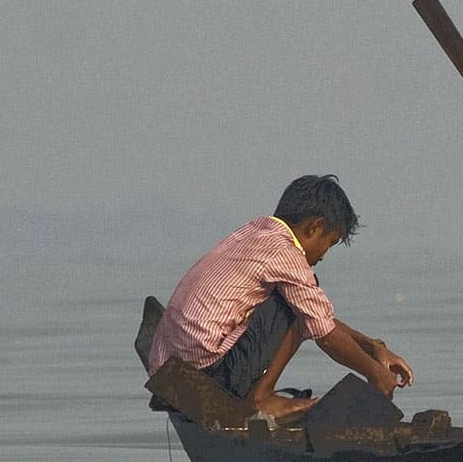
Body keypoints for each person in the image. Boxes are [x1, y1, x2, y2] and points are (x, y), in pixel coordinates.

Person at [146, 175, 413, 420]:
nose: (322, 255)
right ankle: (262, 399)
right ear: (314, 227)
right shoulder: (285, 254)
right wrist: (374, 373)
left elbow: (321, 319)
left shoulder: (255, 232)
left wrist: (374, 348)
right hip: (209, 372)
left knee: (300, 306)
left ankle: (262, 395)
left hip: (169, 362)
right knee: (298, 309)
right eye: (328, 244)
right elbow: (324, 333)